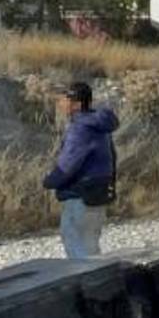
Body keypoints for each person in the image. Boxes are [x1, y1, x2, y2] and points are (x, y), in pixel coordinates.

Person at [42, 82, 119, 259]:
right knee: (91, 245)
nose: (60, 104)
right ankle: (100, 282)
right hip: (98, 193)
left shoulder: (80, 129)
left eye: (64, 100)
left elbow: (69, 164)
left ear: (76, 104)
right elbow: (113, 158)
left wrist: (50, 181)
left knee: (75, 243)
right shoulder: (99, 127)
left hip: (81, 195)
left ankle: (88, 283)